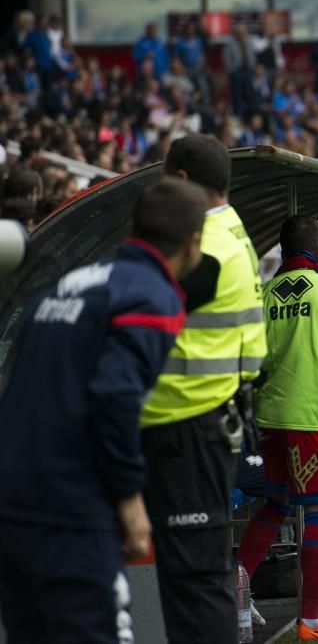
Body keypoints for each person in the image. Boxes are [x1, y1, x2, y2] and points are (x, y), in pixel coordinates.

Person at [0, 178, 208, 643]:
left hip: (13, 498)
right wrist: (131, 501)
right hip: (71, 505)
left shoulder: (67, 284)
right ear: (193, 243)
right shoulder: (152, 296)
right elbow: (115, 398)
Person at [140, 135, 267, 644]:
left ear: (185, 182)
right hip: (209, 418)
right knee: (196, 576)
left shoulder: (204, 248)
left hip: (188, 425)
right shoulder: (230, 232)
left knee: (193, 582)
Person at [232, 214, 318, 639]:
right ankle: (311, 619)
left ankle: (238, 579)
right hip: (311, 417)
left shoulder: (266, 293)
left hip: (269, 418)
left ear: (283, 251)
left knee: (275, 506)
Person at [223, 24, 256, 117]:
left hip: (248, 71)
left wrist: (252, 66)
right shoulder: (230, 44)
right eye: (241, 32)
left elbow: (253, 56)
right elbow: (227, 59)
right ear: (237, 33)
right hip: (236, 72)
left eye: (244, 32)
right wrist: (232, 70)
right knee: (237, 97)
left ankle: (250, 116)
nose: (243, 34)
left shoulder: (248, 43)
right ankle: (238, 116)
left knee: (250, 95)